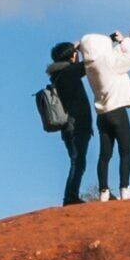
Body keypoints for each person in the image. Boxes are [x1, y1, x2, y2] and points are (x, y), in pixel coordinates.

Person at [76, 26, 130, 201]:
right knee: (125, 151)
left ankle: (103, 192)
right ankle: (124, 189)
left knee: (104, 155)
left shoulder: (89, 67)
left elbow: (110, 57)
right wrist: (124, 41)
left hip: (102, 115)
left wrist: (129, 39)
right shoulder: (110, 62)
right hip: (118, 112)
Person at [45, 39, 96, 205]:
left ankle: (71, 196)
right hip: (77, 125)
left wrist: (75, 51)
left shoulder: (58, 74)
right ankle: (70, 197)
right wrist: (85, 47)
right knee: (78, 162)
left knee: (77, 161)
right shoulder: (68, 73)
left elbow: (80, 66)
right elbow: (90, 62)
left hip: (69, 127)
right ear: (71, 56)